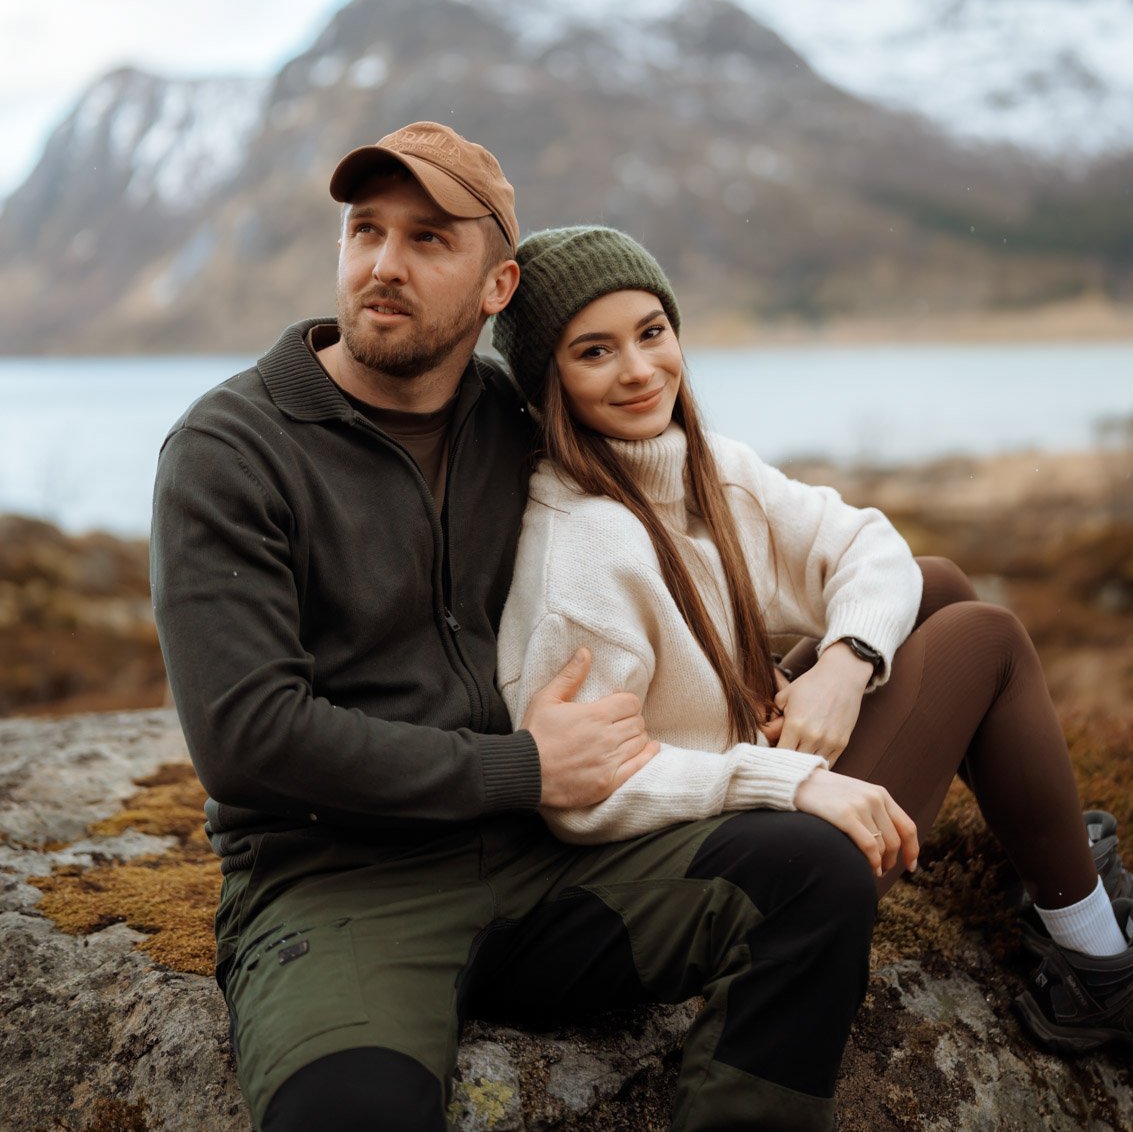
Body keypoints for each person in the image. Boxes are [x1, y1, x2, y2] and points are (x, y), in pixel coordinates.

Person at [152, 122, 887, 1132]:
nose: (382, 264)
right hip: (342, 888)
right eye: (364, 230)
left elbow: (699, 517)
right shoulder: (230, 449)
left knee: (816, 875)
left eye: (427, 239)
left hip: (551, 869)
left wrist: (822, 659)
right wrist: (524, 766)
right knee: (349, 1112)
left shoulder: (520, 417)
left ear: (497, 286)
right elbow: (248, 740)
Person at [491, 224, 1133, 1060]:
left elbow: (869, 545)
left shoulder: (701, 468)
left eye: (651, 332)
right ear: (549, 380)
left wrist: (844, 663)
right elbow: (587, 796)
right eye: (594, 351)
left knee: (932, 583)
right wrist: (784, 779)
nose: (640, 369)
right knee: (987, 638)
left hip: (742, 779)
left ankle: (1045, 878)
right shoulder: (577, 552)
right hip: (710, 868)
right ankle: (1098, 969)